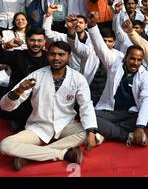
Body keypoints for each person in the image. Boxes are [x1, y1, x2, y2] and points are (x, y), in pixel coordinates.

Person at [0, 41, 98, 171]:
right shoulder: (36, 75)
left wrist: (91, 131)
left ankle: (30, 155)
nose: (56, 58)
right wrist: (18, 91)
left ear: (69, 56)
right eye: (52, 54)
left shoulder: (78, 78)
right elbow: (5, 106)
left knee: (91, 134)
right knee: (5, 145)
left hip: (65, 125)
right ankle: (62, 153)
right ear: (48, 56)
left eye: (61, 54)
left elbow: (86, 105)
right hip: (38, 127)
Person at [87, 12, 148, 145]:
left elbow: (146, 99)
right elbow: (101, 49)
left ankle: (107, 132)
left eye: (139, 60)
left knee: (147, 118)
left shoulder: (144, 75)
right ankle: (127, 136)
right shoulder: (114, 62)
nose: (135, 63)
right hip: (110, 111)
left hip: (130, 113)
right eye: (132, 59)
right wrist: (93, 26)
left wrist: (140, 127)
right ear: (125, 58)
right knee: (89, 116)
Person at [0, 28, 48, 130]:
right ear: (26, 40)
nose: (36, 44)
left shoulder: (50, 58)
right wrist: (6, 45)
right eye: (32, 40)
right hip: (19, 103)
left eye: (39, 41)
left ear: (45, 41)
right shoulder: (17, 55)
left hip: (42, 102)